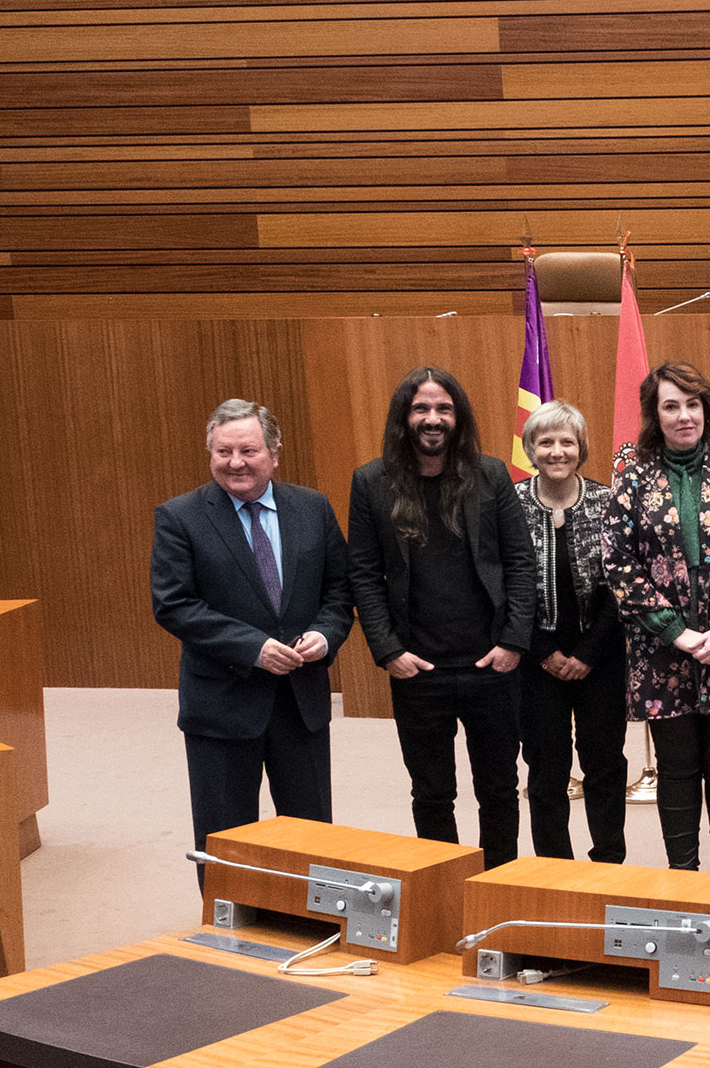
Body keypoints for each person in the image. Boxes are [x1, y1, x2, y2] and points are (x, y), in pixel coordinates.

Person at [347, 367, 535, 866]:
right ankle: (443, 892)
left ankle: (498, 885)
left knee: (499, 788)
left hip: (491, 664)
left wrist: (514, 641)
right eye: (421, 408)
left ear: (458, 417)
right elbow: (363, 575)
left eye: (443, 409)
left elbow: (520, 562)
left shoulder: (491, 475)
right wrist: (388, 650)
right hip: (418, 668)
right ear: (404, 417)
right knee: (431, 793)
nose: (433, 419)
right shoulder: (370, 482)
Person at [151, 399, 354, 856]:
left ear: (274, 454)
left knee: (312, 838)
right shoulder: (180, 517)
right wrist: (253, 648)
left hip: (300, 702)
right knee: (225, 841)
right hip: (222, 703)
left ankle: (308, 906)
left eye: (248, 451)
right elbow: (174, 604)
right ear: (210, 454)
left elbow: (340, 591)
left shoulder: (313, 508)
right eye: (223, 452)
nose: (235, 463)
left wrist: (324, 636)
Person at [604, 361, 710, 872]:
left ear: (707, 411)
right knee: (676, 770)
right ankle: (685, 879)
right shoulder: (632, 480)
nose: (684, 416)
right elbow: (619, 564)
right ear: (654, 415)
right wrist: (676, 633)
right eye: (671, 406)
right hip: (662, 654)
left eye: (693, 405)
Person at [513, 400, 626, 863]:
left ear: (581, 448)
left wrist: (587, 654)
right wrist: (544, 652)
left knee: (605, 764)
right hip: (534, 659)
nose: (557, 451)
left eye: (567, 441)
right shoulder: (510, 505)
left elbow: (624, 585)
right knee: (545, 769)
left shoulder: (609, 501)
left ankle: (609, 865)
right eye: (546, 442)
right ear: (530, 449)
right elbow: (504, 588)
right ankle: (554, 869)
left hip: (600, 657)